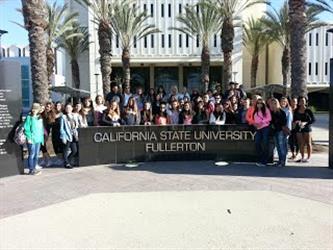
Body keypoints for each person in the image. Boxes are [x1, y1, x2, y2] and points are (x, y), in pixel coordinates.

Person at [293, 97, 315, 162]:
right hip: (299, 128)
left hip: (307, 128)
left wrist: (306, 123)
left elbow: (313, 120)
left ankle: (308, 157)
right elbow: (294, 120)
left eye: (303, 101)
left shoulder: (309, 110)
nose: (302, 102)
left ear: (305, 102)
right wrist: (297, 121)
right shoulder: (296, 110)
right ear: (299, 102)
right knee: (300, 143)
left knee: (308, 143)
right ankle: (302, 157)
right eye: (301, 101)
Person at [24, 103, 44, 175]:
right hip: (31, 139)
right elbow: (26, 129)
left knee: (36, 154)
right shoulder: (29, 118)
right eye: (33, 109)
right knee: (31, 154)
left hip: (38, 139)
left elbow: (41, 129)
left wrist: (42, 139)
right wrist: (29, 138)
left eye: (36, 109)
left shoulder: (40, 117)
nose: (34, 110)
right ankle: (31, 170)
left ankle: (35, 168)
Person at [253, 98, 272, 166]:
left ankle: (265, 161)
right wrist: (255, 124)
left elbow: (269, 118)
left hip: (265, 128)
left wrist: (262, 122)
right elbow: (254, 120)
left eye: (261, 103)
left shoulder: (266, 110)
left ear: (263, 104)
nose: (259, 104)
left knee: (265, 143)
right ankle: (260, 158)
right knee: (257, 142)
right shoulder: (255, 111)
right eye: (258, 103)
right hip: (258, 128)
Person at [60, 103, 79, 169]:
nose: (68, 109)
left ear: (72, 108)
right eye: (67, 108)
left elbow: (76, 125)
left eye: (69, 107)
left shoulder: (74, 116)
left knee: (74, 150)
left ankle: (67, 161)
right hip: (67, 136)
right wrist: (63, 137)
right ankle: (67, 163)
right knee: (65, 150)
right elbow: (62, 128)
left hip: (74, 135)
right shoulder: (63, 117)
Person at [270, 98, 289, 167]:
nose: (273, 105)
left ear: (277, 104)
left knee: (282, 147)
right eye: (272, 103)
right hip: (275, 131)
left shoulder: (281, 112)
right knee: (278, 147)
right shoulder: (272, 112)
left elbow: (284, 123)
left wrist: (276, 125)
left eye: (275, 103)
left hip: (280, 131)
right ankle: (280, 161)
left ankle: (283, 161)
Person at [40, 102, 56, 167]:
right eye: (47, 106)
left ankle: (48, 160)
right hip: (40, 132)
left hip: (45, 133)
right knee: (42, 147)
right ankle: (45, 160)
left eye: (49, 107)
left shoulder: (51, 115)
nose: (48, 108)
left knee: (43, 146)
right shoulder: (42, 114)